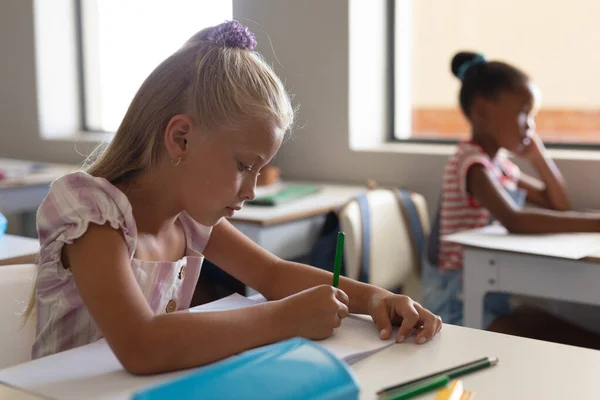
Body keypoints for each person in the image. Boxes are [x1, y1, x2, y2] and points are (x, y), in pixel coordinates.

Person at [27, 21, 442, 374]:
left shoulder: (188, 220)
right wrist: (284, 318)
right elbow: (140, 346)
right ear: (181, 138)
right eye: (245, 165)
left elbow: (274, 275)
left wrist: (374, 298)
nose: (252, 189)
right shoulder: (93, 214)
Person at [423, 51, 600, 327]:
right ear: (482, 111)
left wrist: (538, 156)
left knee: (543, 322)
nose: (529, 125)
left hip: (486, 290)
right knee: (540, 329)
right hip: (455, 302)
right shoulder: (472, 164)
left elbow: (558, 203)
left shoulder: (500, 166)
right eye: (522, 113)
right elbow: (515, 220)